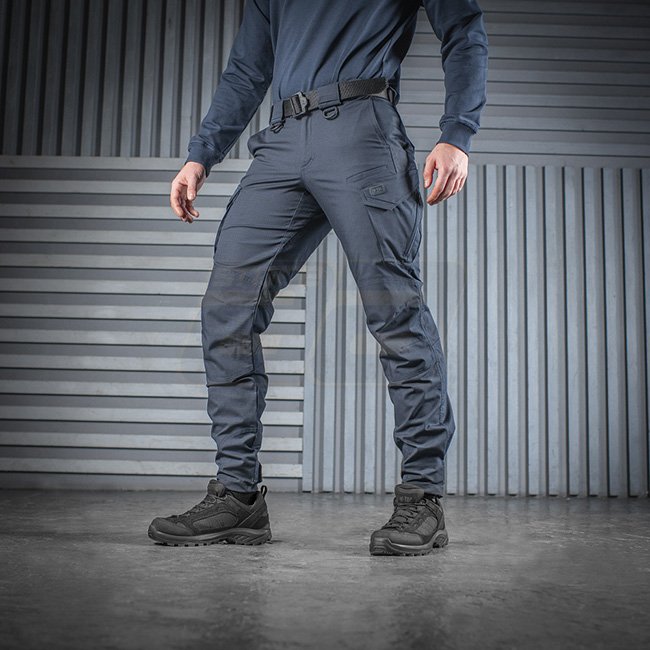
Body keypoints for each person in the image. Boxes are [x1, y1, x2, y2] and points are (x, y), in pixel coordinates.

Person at [148, 0, 488, 556]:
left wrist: (458, 132)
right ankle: (238, 495)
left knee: (395, 314)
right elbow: (248, 68)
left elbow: (464, 30)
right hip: (282, 141)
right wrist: (201, 153)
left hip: (362, 130)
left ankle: (422, 497)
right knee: (228, 309)